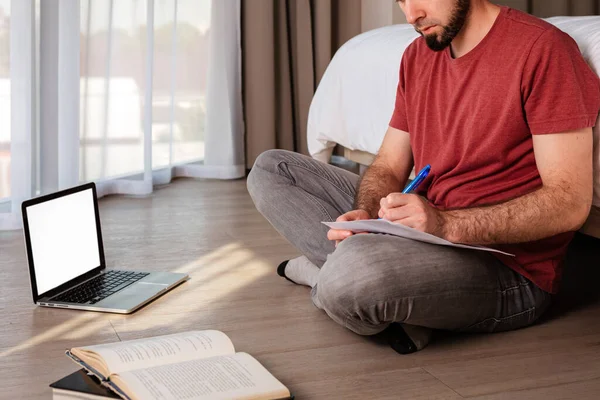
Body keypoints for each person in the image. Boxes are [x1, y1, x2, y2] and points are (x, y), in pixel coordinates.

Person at [246, 0, 600, 354]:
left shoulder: (544, 50)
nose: (410, 15)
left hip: (505, 267)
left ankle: (324, 275)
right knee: (272, 169)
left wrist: (444, 224)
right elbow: (388, 165)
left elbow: (569, 203)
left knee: (350, 280)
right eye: (401, 0)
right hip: (421, 227)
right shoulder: (418, 54)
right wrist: (365, 215)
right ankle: (390, 293)